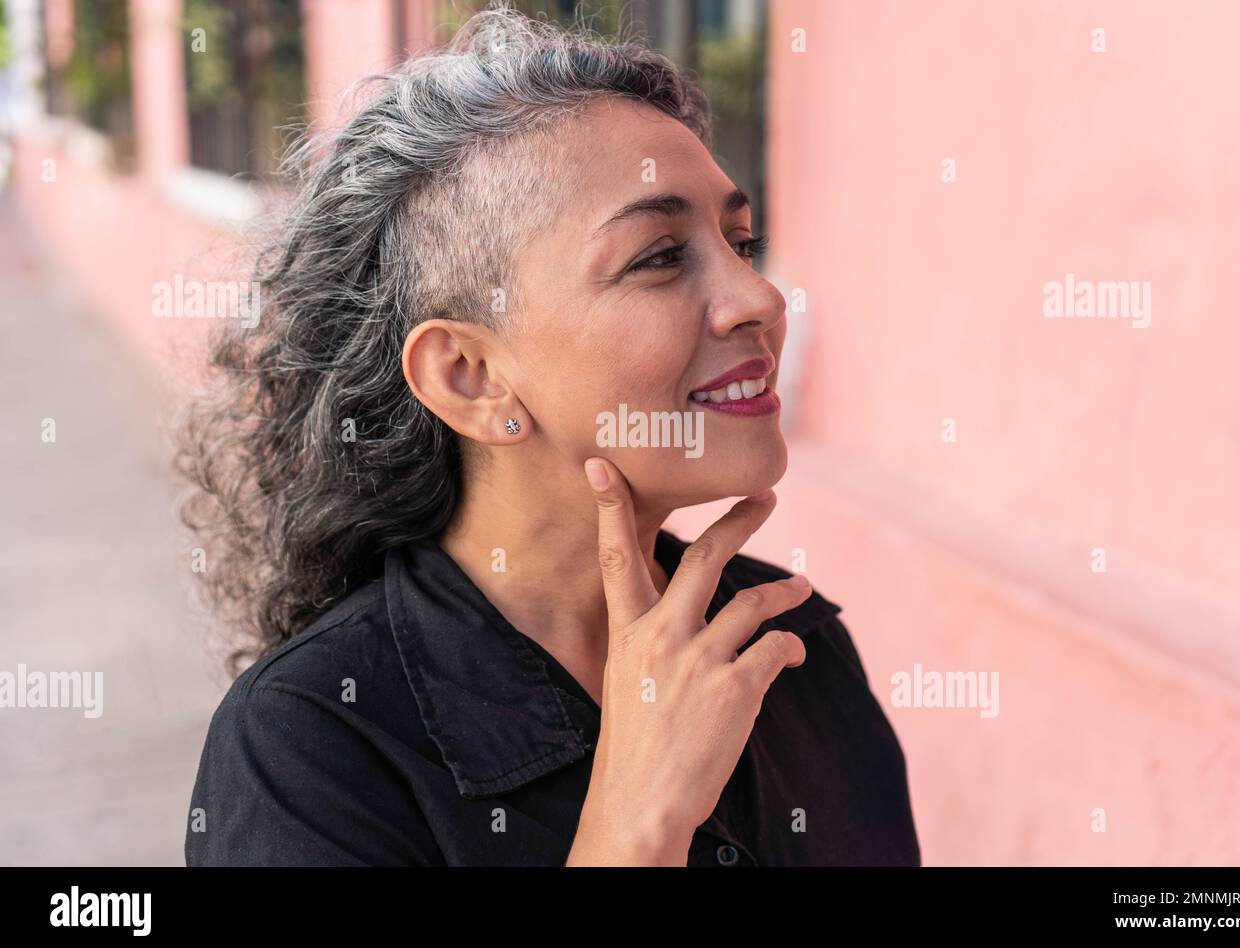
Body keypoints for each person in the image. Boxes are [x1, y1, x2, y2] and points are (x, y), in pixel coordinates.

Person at [179, 0, 920, 866]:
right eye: (658, 257)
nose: (759, 301)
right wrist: (636, 828)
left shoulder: (794, 647)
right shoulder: (310, 752)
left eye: (742, 242)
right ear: (470, 376)